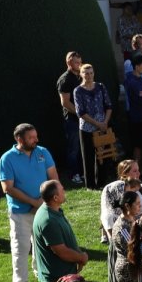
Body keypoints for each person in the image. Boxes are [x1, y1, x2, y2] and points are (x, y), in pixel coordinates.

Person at [0, 123, 59, 282]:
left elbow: (53, 179)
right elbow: (8, 188)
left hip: (45, 210)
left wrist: (46, 202)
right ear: (19, 139)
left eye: (36, 136)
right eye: (31, 137)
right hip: (21, 213)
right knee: (20, 249)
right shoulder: (7, 158)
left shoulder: (43, 152)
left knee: (45, 246)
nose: (36, 140)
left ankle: (42, 274)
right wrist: (34, 202)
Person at [32, 180, 89, 282]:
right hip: (60, 276)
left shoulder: (53, 211)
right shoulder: (48, 220)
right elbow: (60, 251)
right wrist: (81, 258)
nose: (65, 191)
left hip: (64, 272)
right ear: (55, 198)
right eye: (62, 190)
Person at [72, 64, 113, 190]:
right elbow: (81, 112)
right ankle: (90, 185)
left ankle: (102, 182)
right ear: (81, 74)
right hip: (87, 128)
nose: (89, 75)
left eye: (91, 73)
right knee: (88, 156)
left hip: (103, 126)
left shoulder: (100, 87)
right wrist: (97, 123)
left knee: (104, 156)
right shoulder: (78, 90)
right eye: (86, 73)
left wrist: (105, 122)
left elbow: (108, 105)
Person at [56, 51, 85, 184]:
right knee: (73, 149)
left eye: (80, 62)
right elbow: (65, 102)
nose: (79, 65)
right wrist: (80, 114)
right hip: (72, 120)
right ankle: (74, 174)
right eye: (75, 62)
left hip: (84, 119)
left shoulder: (81, 76)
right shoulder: (65, 79)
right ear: (69, 62)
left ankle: (83, 172)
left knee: (82, 147)